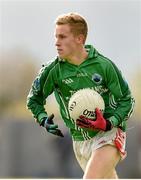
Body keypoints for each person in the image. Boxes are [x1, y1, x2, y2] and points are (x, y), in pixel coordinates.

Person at [26, 12, 135, 178]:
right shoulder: (52, 70)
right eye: (56, 37)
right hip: (79, 141)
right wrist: (42, 118)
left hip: (109, 134)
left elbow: (127, 100)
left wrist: (107, 123)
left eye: (62, 37)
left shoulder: (104, 66)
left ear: (80, 39)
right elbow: (34, 100)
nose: (56, 42)